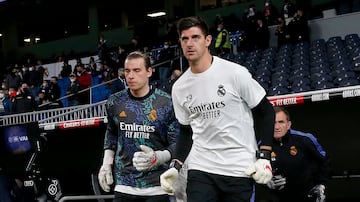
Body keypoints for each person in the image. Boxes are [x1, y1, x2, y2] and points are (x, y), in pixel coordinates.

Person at [160, 16, 275, 202]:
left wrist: (265, 156)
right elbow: (185, 131)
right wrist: (176, 165)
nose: (190, 43)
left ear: (208, 40)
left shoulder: (235, 73)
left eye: (195, 37)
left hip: (239, 167)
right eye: (185, 39)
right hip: (201, 168)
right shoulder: (179, 88)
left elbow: (267, 112)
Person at [97, 51, 180, 202]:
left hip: (157, 187)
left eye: (136, 70)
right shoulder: (114, 102)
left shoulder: (166, 103)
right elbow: (112, 135)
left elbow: (176, 143)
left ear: (149, 71)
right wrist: (106, 163)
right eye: (127, 71)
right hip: (124, 186)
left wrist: (158, 158)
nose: (130, 76)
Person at [266, 106, 330, 202]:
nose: (277, 127)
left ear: (288, 124)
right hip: (279, 198)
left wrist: (321, 184)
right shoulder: (263, 145)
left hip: (308, 196)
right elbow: (256, 171)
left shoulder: (304, 139)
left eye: (281, 122)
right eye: (273, 123)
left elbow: (325, 161)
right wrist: (267, 182)